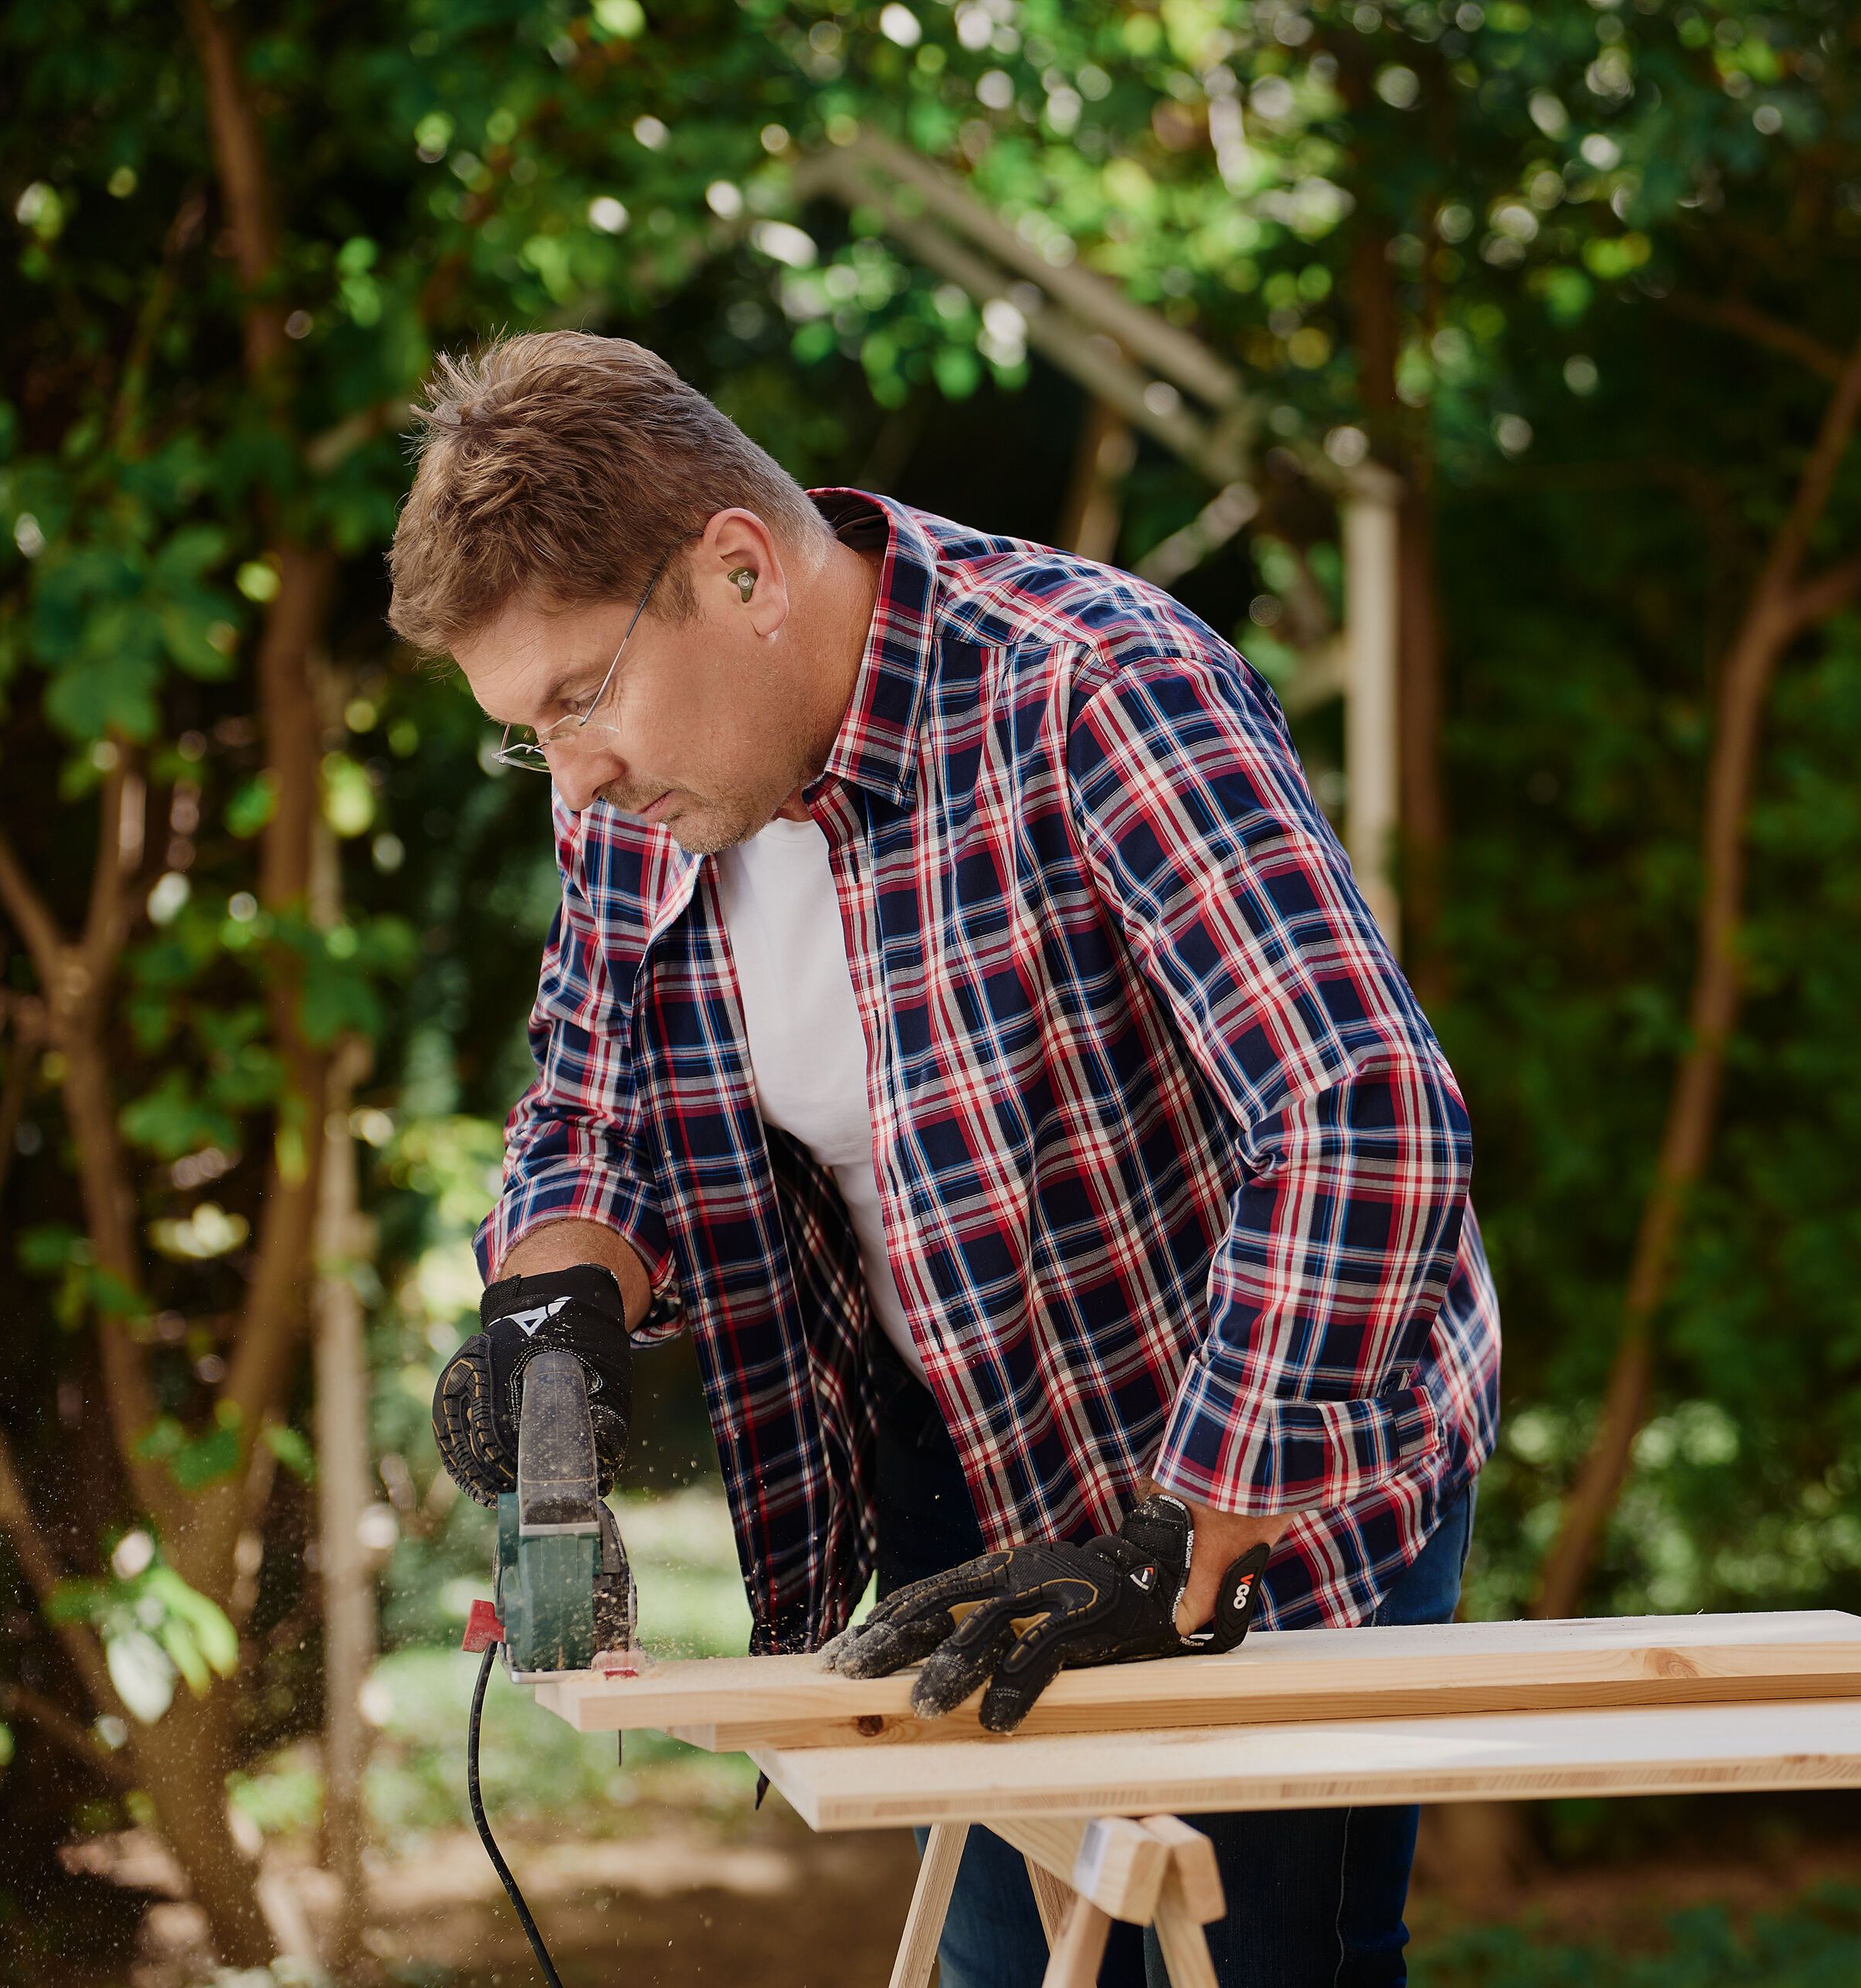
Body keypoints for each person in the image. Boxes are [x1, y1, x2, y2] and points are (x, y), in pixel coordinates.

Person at [387, 332, 1500, 1988]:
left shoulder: (1091, 690)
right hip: (963, 1475)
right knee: (1008, 1965)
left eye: (578, 699)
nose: (574, 774)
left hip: (1256, 1469)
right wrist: (555, 1307)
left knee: (1256, 1961)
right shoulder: (636, 794)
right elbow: (592, 1103)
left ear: (742, 569)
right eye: (527, 732)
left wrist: (1181, 1543)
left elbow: (1363, 1113)